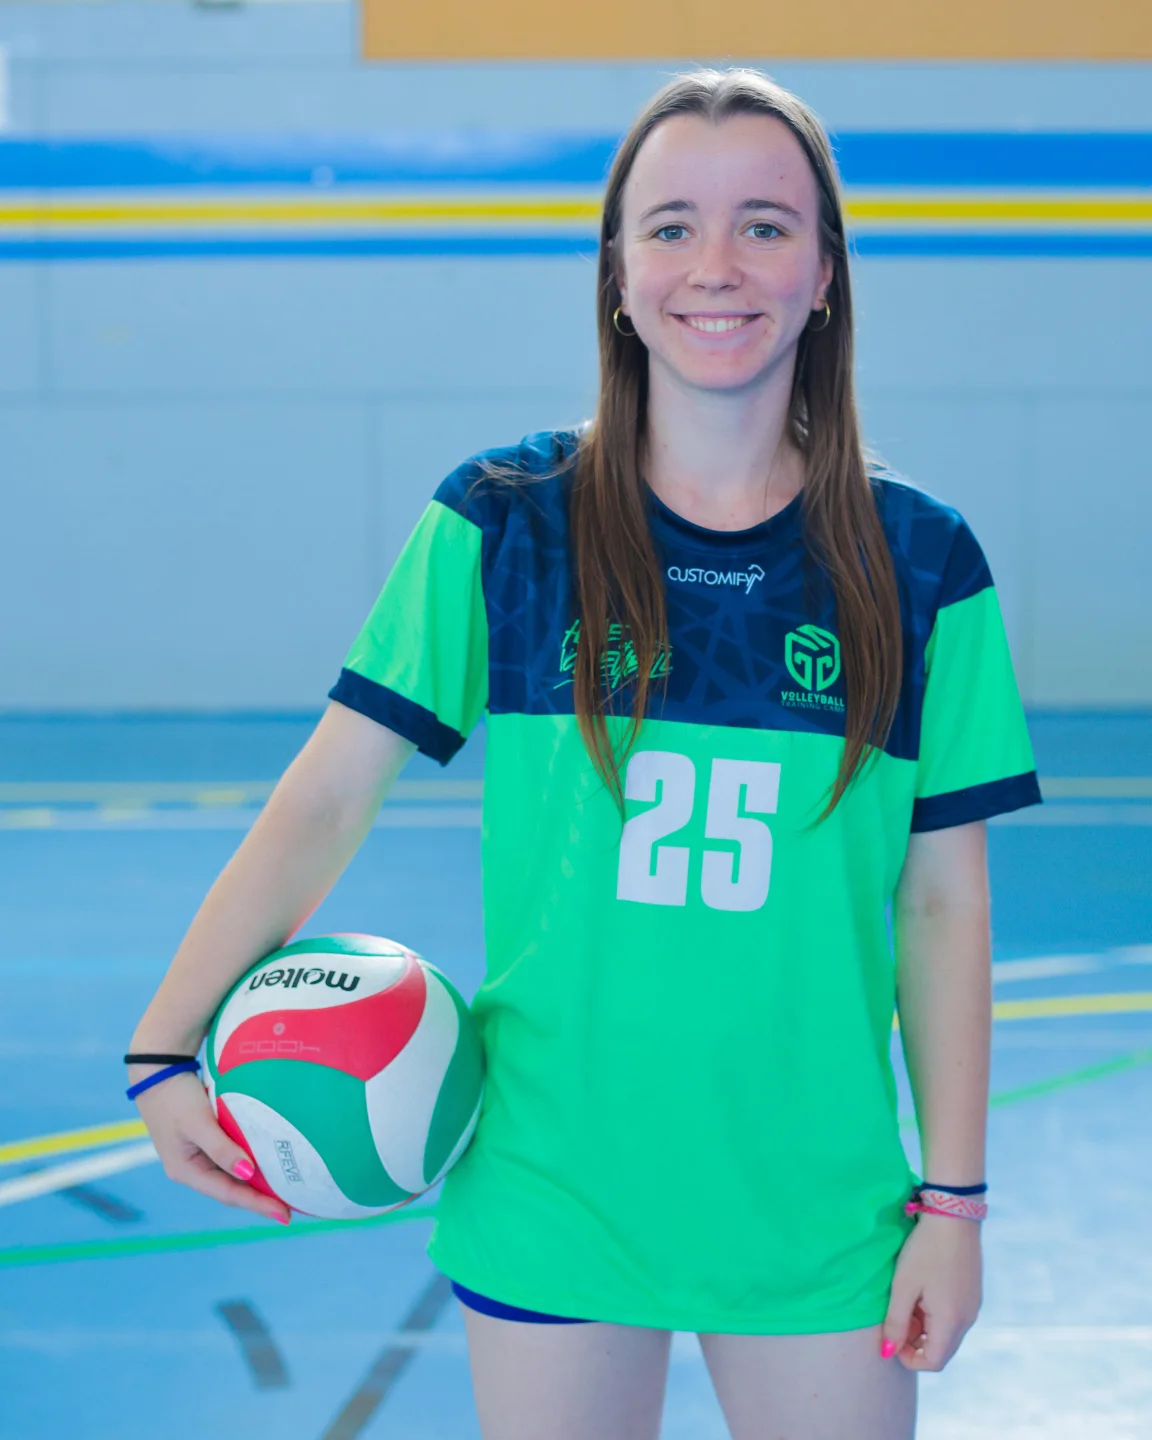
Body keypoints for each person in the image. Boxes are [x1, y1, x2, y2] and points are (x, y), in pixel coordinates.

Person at [127, 68, 1041, 1440]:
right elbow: (326, 798)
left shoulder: (919, 562)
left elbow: (942, 904)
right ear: (617, 273)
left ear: (827, 275)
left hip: (816, 1206)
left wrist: (955, 1206)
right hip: (551, 1192)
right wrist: (162, 1046)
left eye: (765, 226)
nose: (716, 266)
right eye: (671, 226)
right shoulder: (508, 522)